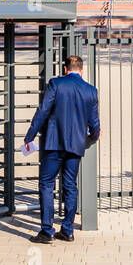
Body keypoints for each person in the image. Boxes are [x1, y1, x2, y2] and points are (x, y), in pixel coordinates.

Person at [23, 54, 100, 243]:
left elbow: (42, 111)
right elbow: (95, 123)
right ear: (81, 70)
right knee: (70, 186)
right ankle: (67, 230)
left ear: (66, 69)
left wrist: (30, 136)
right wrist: (92, 137)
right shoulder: (91, 91)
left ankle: (47, 232)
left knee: (47, 184)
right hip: (75, 146)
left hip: (53, 144)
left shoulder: (56, 84)